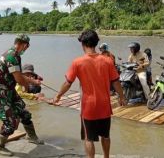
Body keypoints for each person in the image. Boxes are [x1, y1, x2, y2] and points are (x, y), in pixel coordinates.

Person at [53, 30, 126, 158]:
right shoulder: (107, 60)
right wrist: (122, 97)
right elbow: (116, 82)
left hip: (88, 106)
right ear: (96, 43)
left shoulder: (78, 62)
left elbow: (67, 83)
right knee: (106, 135)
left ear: (83, 44)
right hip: (104, 105)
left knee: (89, 138)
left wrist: (58, 96)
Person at [0, 34, 44, 156]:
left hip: (9, 90)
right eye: (27, 47)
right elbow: (19, 79)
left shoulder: (15, 55)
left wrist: (33, 81)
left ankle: (31, 137)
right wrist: (26, 86)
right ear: (24, 44)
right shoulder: (12, 56)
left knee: (24, 113)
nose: (26, 49)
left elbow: (18, 74)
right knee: (11, 122)